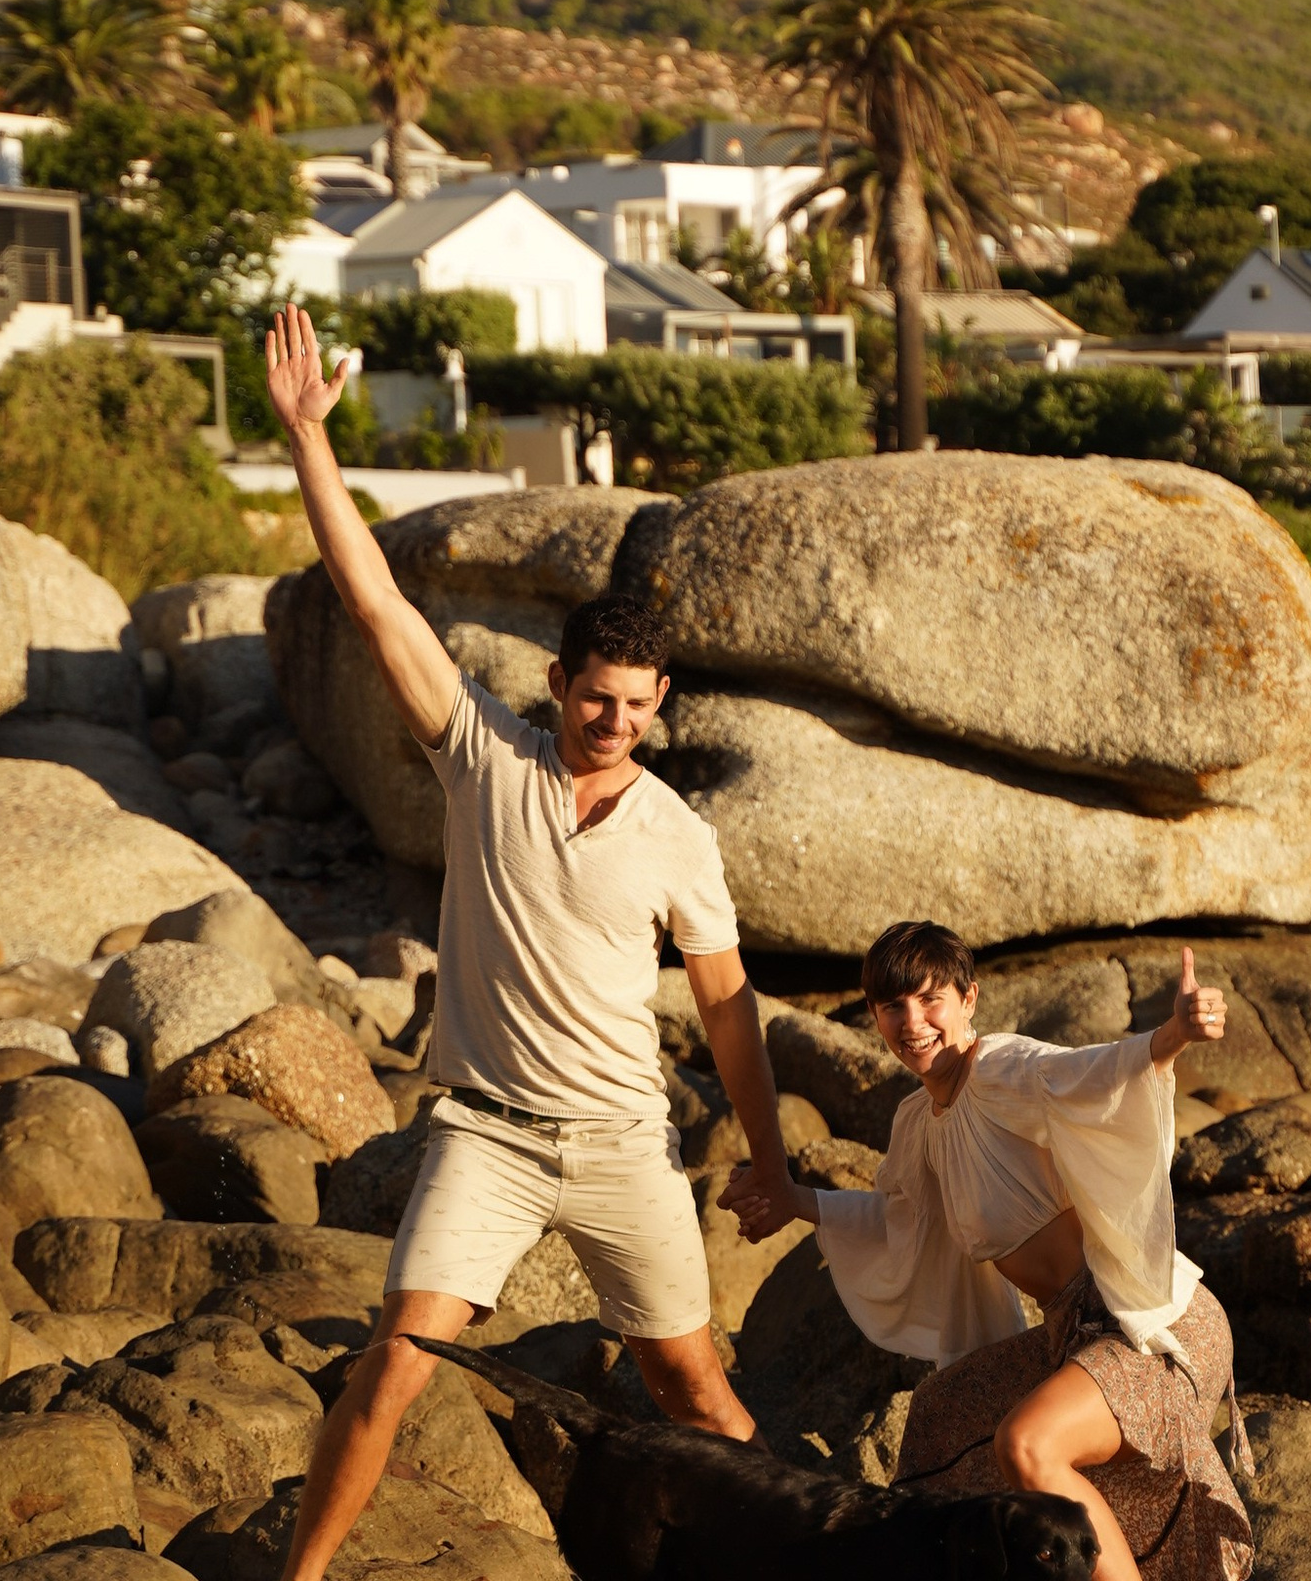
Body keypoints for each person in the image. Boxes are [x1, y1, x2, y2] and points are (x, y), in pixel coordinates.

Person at [261, 302, 798, 1581]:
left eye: (634, 706)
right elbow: (376, 599)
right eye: (593, 698)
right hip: (488, 1136)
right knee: (396, 1358)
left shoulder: (676, 834)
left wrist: (767, 1156)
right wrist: (305, 443)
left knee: (701, 1399)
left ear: (659, 706)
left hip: (623, 1145)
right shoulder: (481, 759)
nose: (611, 720)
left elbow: (726, 1007)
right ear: (556, 686)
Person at [721, 919, 1255, 1581]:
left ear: (969, 999)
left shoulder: (1000, 1068)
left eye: (930, 1000)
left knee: (1027, 1443)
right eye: (892, 1007)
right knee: (945, 1416)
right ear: (875, 1017)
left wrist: (1174, 1035)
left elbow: (1091, 1073)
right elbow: (899, 1220)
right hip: (1074, 1331)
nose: (912, 1022)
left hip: (1149, 1324)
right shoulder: (919, 1122)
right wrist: (792, 1201)